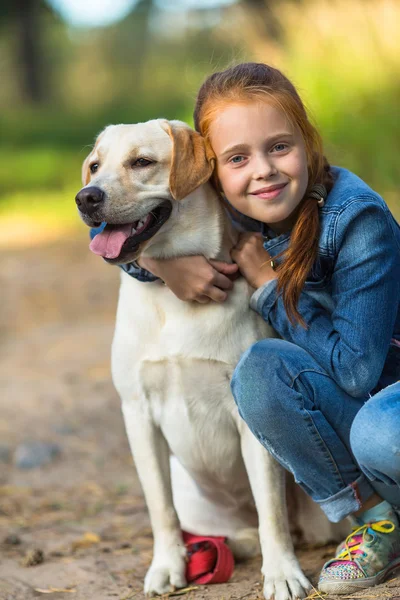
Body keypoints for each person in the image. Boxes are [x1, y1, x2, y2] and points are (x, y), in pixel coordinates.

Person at [90, 63, 400, 594]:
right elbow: (132, 223)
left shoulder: (356, 221)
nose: (263, 171)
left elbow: (354, 369)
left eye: (280, 147)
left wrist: (265, 286)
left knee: (379, 433)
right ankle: (380, 522)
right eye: (237, 158)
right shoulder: (244, 211)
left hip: (381, 398)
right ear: (211, 172)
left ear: (307, 141)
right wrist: (162, 266)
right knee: (260, 369)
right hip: (343, 412)